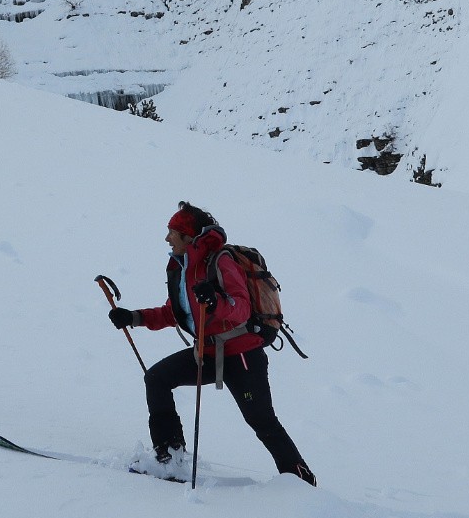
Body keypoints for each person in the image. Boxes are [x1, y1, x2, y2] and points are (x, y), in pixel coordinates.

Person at [108, 201, 316, 485]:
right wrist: (133, 317)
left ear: (188, 236)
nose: (167, 238)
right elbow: (176, 312)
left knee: (261, 421)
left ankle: (301, 481)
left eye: (172, 232)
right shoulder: (183, 268)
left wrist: (215, 301)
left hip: (242, 355)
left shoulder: (220, 261)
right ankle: (169, 458)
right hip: (206, 352)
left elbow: (240, 307)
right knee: (156, 378)